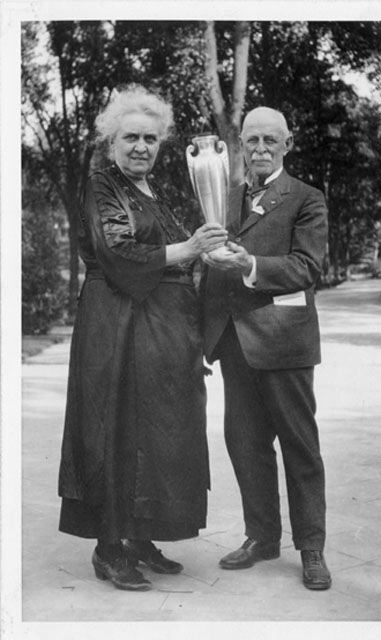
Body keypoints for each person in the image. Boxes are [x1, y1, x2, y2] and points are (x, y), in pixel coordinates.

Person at [58, 85, 227, 591]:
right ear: (111, 141)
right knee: (119, 433)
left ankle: (140, 536)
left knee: (156, 437)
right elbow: (118, 254)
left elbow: (174, 258)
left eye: (151, 138)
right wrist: (190, 247)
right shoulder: (101, 185)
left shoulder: (152, 190)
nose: (141, 146)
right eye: (130, 136)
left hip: (161, 333)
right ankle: (109, 549)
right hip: (119, 330)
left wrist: (206, 258)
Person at [203, 106, 331, 590]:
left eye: (269, 142)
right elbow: (208, 268)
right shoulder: (227, 197)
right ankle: (262, 537)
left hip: (284, 344)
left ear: (286, 144)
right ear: (241, 144)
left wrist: (249, 263)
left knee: (300, 449)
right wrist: (203, 338)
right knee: (245, 445)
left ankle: (312, 548)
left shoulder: (306, 198)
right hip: (235, 344)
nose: (259, 149)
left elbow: (306, 267)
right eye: (251, 141)